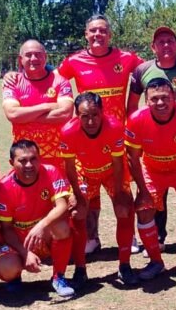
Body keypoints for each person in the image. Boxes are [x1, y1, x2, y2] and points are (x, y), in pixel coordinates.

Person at [127, 26, 176, 257]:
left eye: (170, 41)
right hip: (153, 141)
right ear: (153, 47)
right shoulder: (142, 70)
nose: (165, 45)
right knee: (154, 195)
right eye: (160, 42)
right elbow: (132, 107)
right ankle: (158, 237)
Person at [125, 78, 176, 280]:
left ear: (174, 98)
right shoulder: (135, 119)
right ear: (146, 101)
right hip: (152, 168)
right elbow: (132, 157)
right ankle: (155, 261)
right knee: (144, 211)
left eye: (165, 98)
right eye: (155, 99)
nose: (160, 103)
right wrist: (142, 191)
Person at [58, 92, 137, 285]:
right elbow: (68, 167)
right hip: (84, 172)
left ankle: (125, 266)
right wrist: (76, 194)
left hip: (112, 172)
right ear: (77, 115)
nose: (90, 121)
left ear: (102, 112)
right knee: (77, 214)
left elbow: (119, 163)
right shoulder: (68, 131)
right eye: (84, 116)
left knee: (125, 210)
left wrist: (119, 194)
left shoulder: (115, 127)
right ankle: (80, 269)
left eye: (95, 114)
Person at [0, 139, 75, 298]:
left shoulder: (50, 171)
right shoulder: (4, 187)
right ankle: (14, 278)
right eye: (22, 161)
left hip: (42, 235)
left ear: (40, 158)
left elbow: (62, 205)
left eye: (33, 159)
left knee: (62, 227)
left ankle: (59, 277)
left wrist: (41, 225)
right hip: (17, 242)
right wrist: (25, 253)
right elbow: (7, 229)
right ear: (12, 162)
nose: (29, 165)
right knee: (6, 268)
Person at [1, 40, 74, 166]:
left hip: (58, 156)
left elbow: (65, 114)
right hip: (25, 158)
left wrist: (26, 116)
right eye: (28, 55)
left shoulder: (61, 81)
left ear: (45, 57)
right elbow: (13, 114)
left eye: (38, 54)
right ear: (20, 59)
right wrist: (47, 106)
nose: (34, 58)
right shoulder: (13, 83)